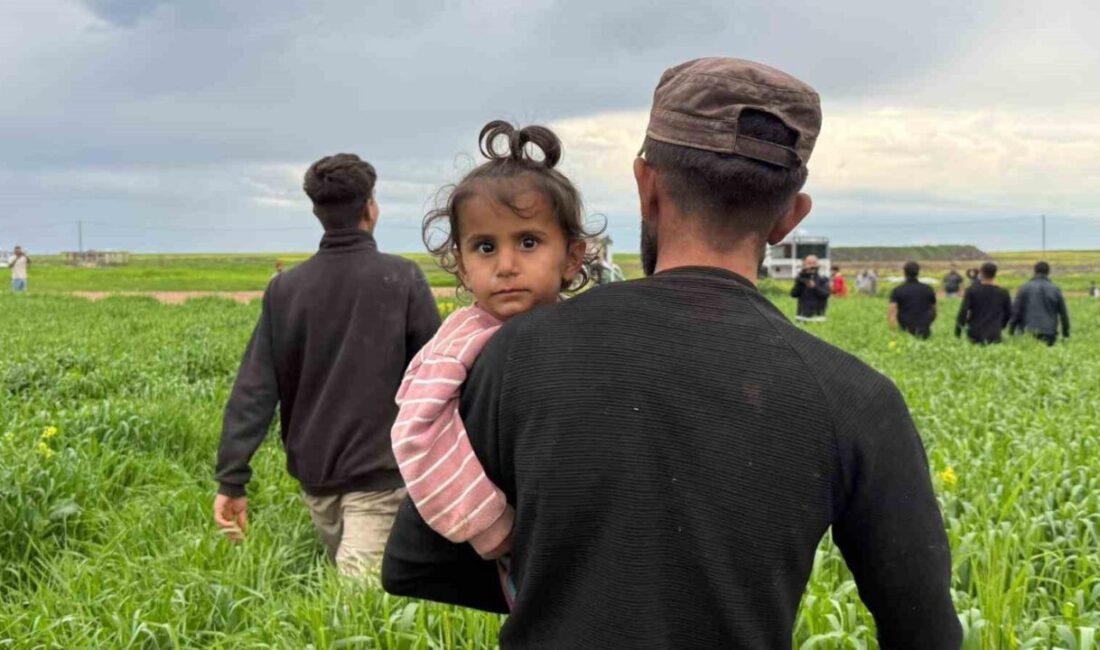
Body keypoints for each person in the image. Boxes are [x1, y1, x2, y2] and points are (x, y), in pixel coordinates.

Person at [383, 57, 960, 648]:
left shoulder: (512, 353)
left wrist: (563, 578)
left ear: (646, 185)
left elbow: (413, 562)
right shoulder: (855, 398)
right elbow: (925, 631)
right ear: (790, 216)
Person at [213, 153, 441, 574]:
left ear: (318, 213)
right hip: (381, 471)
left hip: (324, 479)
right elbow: (440, 379)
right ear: (370, 209)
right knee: (359, 613)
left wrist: (232, 479)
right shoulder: (402, 278)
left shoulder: (286, 289)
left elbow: (254, 390)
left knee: (355, 608)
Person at [391, 121, 593, 597]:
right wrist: (491, 526)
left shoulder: (585, 326)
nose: (505, 264)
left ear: (572, 256)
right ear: (461, 264)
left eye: (528, 242)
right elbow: (417, 433)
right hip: (519, 543)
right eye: (485, 247)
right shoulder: (463, 339)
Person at [1009, 261, 1070, 346]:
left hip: (1027, 332)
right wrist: (1065, 334)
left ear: (1034, 271)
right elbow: (1063, 314)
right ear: (1048, 272)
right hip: (1049, 332)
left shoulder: (1024, 288)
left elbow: (1016, 311)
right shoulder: (1055, 289)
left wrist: (1011, 330)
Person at [955, 262, 1012, 344]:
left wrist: (958, 331)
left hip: (975, 332)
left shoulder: (972, 290)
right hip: (994, 333)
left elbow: (963, 311)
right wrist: (1001, 325)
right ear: (995, 274)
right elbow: (1009, 313)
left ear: (981, 273)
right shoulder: (1003, 292)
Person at [889, 261, 937, 338]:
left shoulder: (897, 290)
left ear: (904, 272)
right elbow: (934, 310)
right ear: (918, 272)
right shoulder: (928, 289)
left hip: (905, 331)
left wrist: (893, 333)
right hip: (924, 330)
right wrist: (927, 323)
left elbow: (892, 313)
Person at [790, 254, 830, 320]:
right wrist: (800, 283)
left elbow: (825, 294)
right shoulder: (801, 279)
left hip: (818, 317)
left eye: (814, 263)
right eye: (809, 263)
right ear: (804, 264)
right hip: (802, 317)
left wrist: (814, 287)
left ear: (818, 265)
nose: (811, 265)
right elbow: (793, 294)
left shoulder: (823, 279)